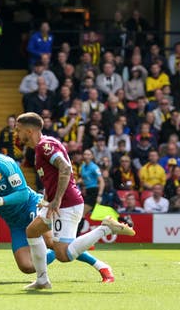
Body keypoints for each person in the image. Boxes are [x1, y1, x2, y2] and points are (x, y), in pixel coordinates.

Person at [0, 125, 112, 282]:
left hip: (31, 206)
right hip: (14, 222)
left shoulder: (5, 164)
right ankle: (72, 248)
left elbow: (23, 194)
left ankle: (101, 266)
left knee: (52, 243)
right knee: (26, 266)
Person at [15, 112, 135, 290]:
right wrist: (48, 199)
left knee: (63, 255)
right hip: (57, 203)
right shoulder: (44, 145)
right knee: (32, 231)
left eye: (19, 130)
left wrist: (56, 200)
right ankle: (42, 280)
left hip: (67, 204)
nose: (17, 134)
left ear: (29, 130)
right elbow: (53, 177)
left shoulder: (44, 146)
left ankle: (105, 228)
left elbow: (65, 167)